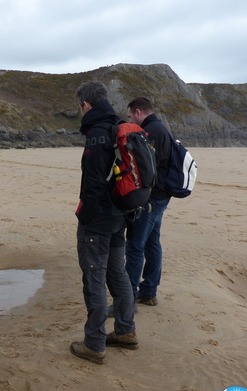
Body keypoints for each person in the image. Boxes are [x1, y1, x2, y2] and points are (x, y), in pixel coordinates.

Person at [69, 82, 138, 365]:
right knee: (117, 274)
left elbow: (95, 182)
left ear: (85, 104)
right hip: (120, 215)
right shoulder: (118, 126)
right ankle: (125, 331)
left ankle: (95, 344)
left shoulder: (98, 133)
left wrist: (84, 215)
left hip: (99, 218)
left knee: (95, 279)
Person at [124, 97, 173, 307]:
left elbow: (146, 168)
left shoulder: (151, 132)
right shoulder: (162, 128)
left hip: (151, 197)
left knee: (135, 246)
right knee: (152, 243)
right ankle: (149, 291)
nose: (130, 121)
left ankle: (129, 299)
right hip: (161, 196)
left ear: (138, 112)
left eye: (129, 116)